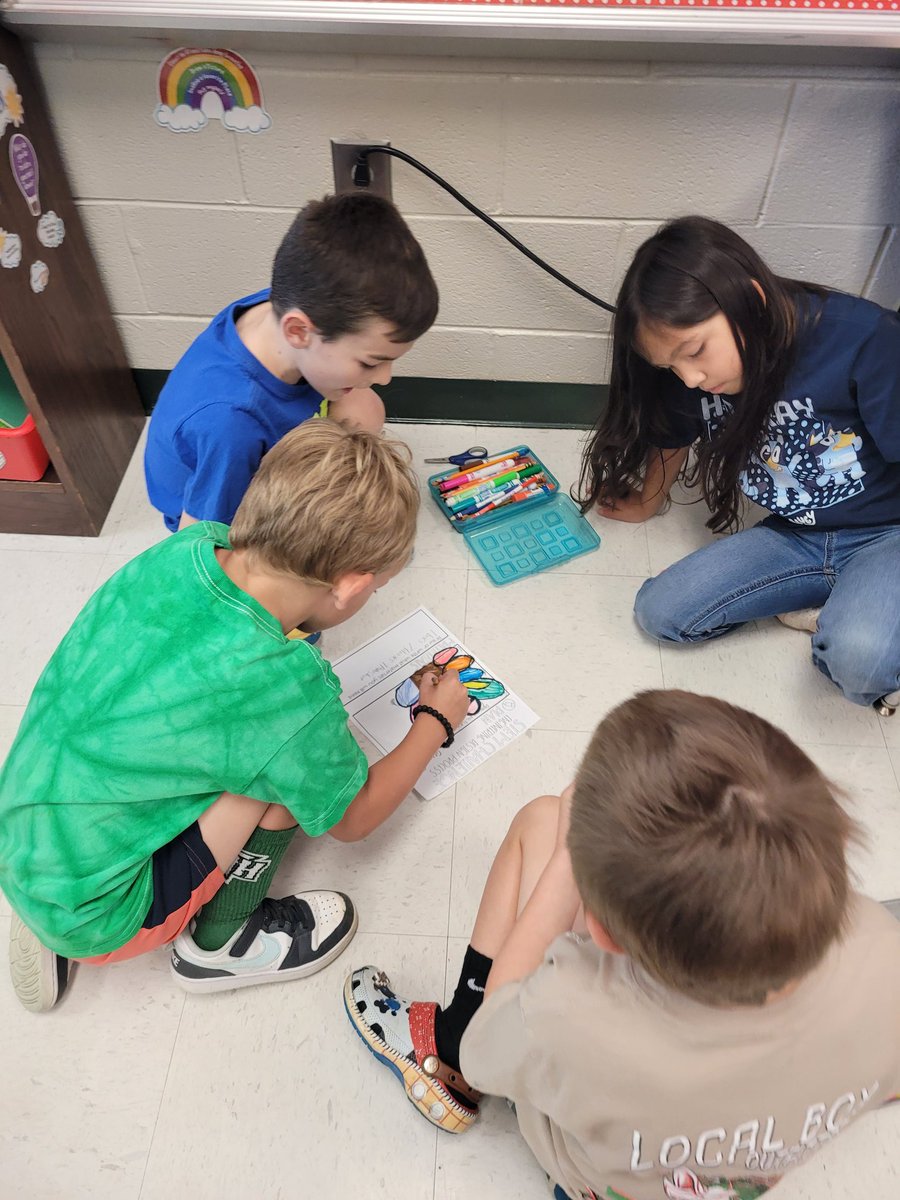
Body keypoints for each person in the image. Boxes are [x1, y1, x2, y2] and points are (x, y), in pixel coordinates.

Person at [344, 690, 900, 1200]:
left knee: (540, 820)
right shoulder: (882, 950)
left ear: (601, 932)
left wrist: (568, 855)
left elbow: (486, 1054)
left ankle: (442, 1050)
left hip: (598, 1182)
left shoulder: (568, 1008)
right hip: (729, 1174)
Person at [1, 421, 468, 1013]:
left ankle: (47, 903)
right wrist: (435, 720)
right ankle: (221, 945)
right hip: (105, 913)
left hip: (23, 829)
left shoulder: (183, 552)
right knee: (282, 772)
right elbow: (355, 819)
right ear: (350, 586)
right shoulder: (289, 691)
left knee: (226, 741)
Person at [574, 217, 900, 716]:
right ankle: (835, 605)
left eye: (696, 352)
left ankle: (851, 614)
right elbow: (673, 436)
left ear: (750, 299)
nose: (690, 377)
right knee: (661, 614)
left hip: (887, 534)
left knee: (857, 664)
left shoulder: (863, 338)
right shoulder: (694, 377)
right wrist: (646, 501)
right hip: (796, 535)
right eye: (671, 367)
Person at [144, 192, 438, 532]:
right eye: (371, 362)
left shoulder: (284, 306)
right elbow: (198, 538)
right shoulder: (230, 424)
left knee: (365, 411)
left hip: (254, 441)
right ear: (298, 331)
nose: (385, 377)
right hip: (217, 501)